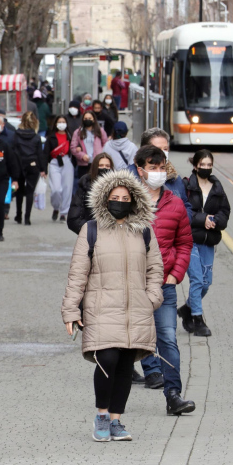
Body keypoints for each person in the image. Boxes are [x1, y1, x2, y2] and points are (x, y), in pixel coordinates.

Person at [62, 169, 164, 442]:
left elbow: (155, 269)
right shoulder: (91, 230)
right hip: (101, 307)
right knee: (107, 359)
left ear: (134, 200)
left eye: (125, 197)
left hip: (135, 309)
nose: (120, 201)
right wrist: (71, 310)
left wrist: (152, 298)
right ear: (105, 199)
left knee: (125, 364)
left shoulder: (144, 231)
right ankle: (102, 415)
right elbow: (77, 274)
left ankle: (117, 420)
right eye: (114, 197)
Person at [133, 146, 195, 415]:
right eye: (152, 167)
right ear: (140, 170)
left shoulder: (175, 203)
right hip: (133, 286)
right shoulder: (128, 202)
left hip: (165, 285)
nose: (157, 172)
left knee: (168, 338)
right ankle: (112, 402)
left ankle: (173, 395)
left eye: (161, 167)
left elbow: (184, 242)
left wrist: (175, 274)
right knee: (128, 341)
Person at [177, 150, 230, 337]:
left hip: (208, 240)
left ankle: (186, 309)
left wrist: (215, 220)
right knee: (197, 279)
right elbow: (183, 210)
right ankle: (198, 320)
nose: (206, 168)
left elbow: (225, 211)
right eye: (203, 165)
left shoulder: (217, 186)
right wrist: (202, 219)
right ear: (195, 165)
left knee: (207, 282)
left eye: (209, 165)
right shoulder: (186, 185)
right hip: (189, 240)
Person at [12, 111, 46, 225]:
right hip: (33, 164)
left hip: (19, 164)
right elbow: (40, 154)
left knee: (19, 191)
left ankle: (18, 215)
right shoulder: (36, 137)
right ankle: (27, 218)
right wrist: (43, 169)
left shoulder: (16, 135)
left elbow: (13, 151)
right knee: (30, 191)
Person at [67, 153, 113, 234]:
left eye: (107, 166)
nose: (104, 168)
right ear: (95, 167)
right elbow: (74, 219)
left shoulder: (118, 188)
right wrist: (92, 232)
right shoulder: (85, 186)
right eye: (101, 165)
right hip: (91, 238)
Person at [44, 115, 75, 222]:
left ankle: (64, 212)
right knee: (56, 189)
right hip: (54, 162)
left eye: (63, 121)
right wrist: (44, 169)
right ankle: (56, 207)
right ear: (56, 124)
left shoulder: (70, 136)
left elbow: (74, 149)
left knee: (67, 188)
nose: (61, 124)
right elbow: (45, 153)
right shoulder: (51, 136)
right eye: (59, 122)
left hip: (67, 162)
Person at [70, 111, 108, 177]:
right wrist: (82, 155)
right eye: (86, 118)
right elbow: (73, 147)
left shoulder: (100, 130)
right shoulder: (78, 132)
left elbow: (106, 144)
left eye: (90, 118)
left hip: (98, 163)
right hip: (84, 165)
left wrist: (101, 155)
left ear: (94, 119)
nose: (88, 120)